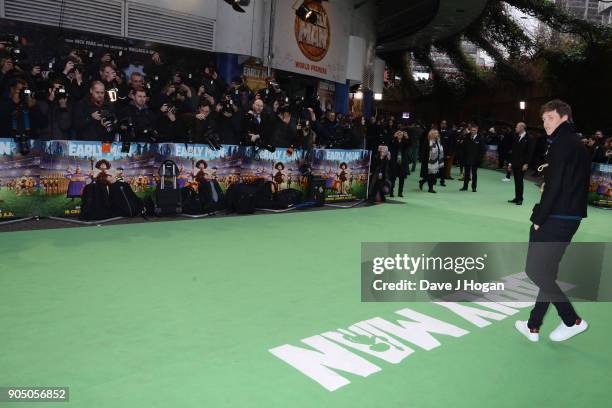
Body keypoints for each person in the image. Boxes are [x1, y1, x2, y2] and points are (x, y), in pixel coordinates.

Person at [515, 99, 590, 343]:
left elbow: (556, 185)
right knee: (547, 272)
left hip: (555, 217)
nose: (545, 123)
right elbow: (569, 180)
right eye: (544, 118)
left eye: (550, 118)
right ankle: (533, 325)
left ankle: (572, 320)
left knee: (535, 270)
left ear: (563, 117)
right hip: (571, 216)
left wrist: (539, 217)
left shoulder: (560, 143)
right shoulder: (576, 143)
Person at [508, 122, 534, 205]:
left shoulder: (529, 138)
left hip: (522, 164)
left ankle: (520, 199)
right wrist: (510, 163)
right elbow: (513, 151)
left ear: (522, 128)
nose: (515, 128)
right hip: (515, 163)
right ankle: (517, 197)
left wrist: (526, 164)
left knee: (519, 181)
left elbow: (530, 153)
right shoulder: (516, 137)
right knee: (516, 181)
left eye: (517, 127)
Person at [460, 124, 485, 192]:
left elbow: (482, 150)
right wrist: (462, 157)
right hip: (467, 158)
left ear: (477, 130)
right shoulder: (466, 137)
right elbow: (463, 148)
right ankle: (465, 187)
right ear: (470, 130)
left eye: (474, 130)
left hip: (475, 160)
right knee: (466, 173)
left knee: (474, 174)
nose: (473, 131)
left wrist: (480, 159)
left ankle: (474, 187)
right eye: (472, 130)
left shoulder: (480, 138)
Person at [419, 129, 444, 193]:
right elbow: (423, 152)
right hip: (428, 161)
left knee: (433, 175)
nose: (437, 134)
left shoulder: (438, 142)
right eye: (435, 133)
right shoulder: (427, 142)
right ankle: (429, 187)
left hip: (436, 161)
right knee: (429, 175)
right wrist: (423, 161)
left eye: (437, 133)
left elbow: (440, 151)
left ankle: (429, 186)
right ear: (431, 134)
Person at [389, 129, 410, 197]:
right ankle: (391, 192)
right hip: (394, 162)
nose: (400, 135)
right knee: (392, 178)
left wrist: (407, 137)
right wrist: (394, 136)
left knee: (402, 178)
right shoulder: (393, 140)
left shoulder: (405, 141)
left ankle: (400, 192)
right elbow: (390, 144)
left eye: (401, 134)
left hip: (403, 163)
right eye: (398, 134)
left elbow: (410, 144)